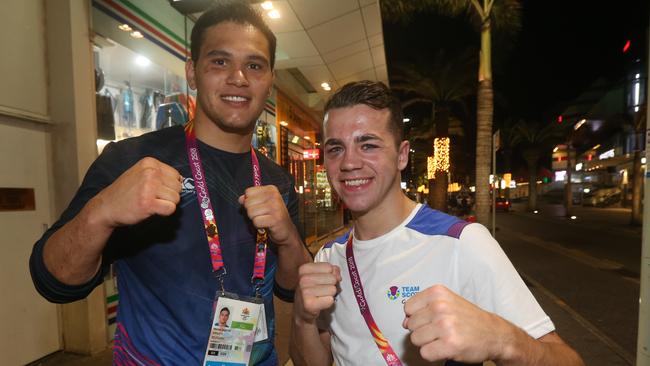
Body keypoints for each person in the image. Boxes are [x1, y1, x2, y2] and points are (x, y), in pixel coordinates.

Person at [29, 2, 311, 365]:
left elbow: (290, 289)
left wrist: (287, 236)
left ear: (270, 80)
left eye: (254, 65)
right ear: (192, 72)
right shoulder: (132, 160)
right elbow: (53, 281)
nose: (238, 77)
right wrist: (103, 212)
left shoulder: (277, 180)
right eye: (220, 61)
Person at [290, 81, 584, 366]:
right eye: (335, 149)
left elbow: (567, 360)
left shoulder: (462, 242)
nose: (349, 163)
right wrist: (302, 318)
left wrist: (501, 339)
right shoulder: (329, 257)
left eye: (368, 145)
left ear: (402, 155)